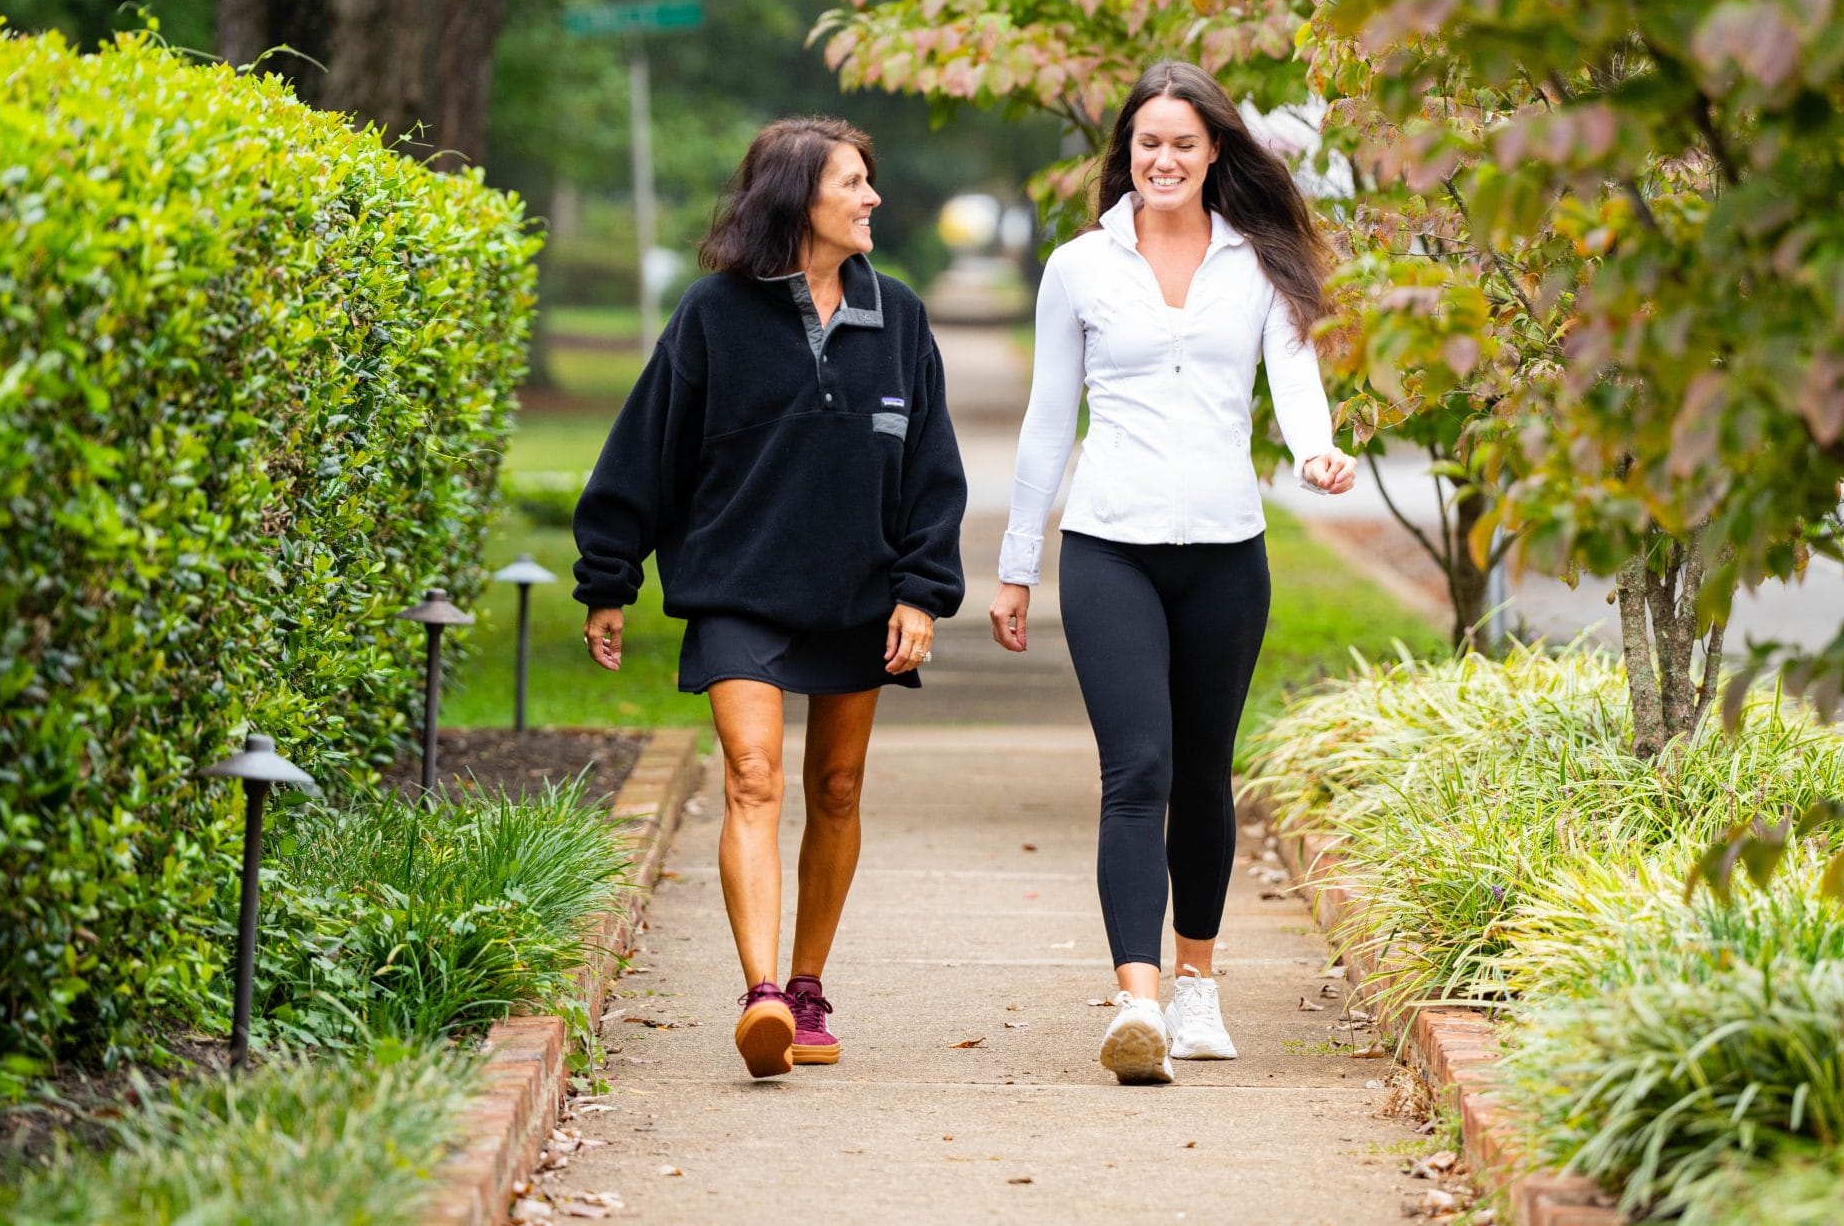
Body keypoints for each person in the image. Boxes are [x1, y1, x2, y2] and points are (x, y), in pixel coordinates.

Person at [571, 116, 967, 1079]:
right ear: (799, 199)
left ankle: (806, 984)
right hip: (738, 586)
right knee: (753, 774)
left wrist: (921, 591)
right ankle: (759, 998)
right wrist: (608, 576)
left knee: (836, 786)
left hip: (858, 595)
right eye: (853, 184)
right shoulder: (713, 314)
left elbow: (931, 471)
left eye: (870, 182)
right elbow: (646, 449)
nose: (872, 197)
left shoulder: (900, 317)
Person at [989, 62, 1357, 1085]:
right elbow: (1045, 420)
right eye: (1148, 142)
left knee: (1202, 773)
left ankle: (1197, 981)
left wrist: (1319, 449)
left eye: (1183, 144)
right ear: (1126, 152)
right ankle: (1138, 998)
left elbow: (1294, 372)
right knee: (1135, 770)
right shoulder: (1078, 267)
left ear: (1214, 155)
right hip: (1109, 546)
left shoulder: (1259, 263)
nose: (1163, 159)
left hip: (1226, 554)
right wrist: (1017, 566)